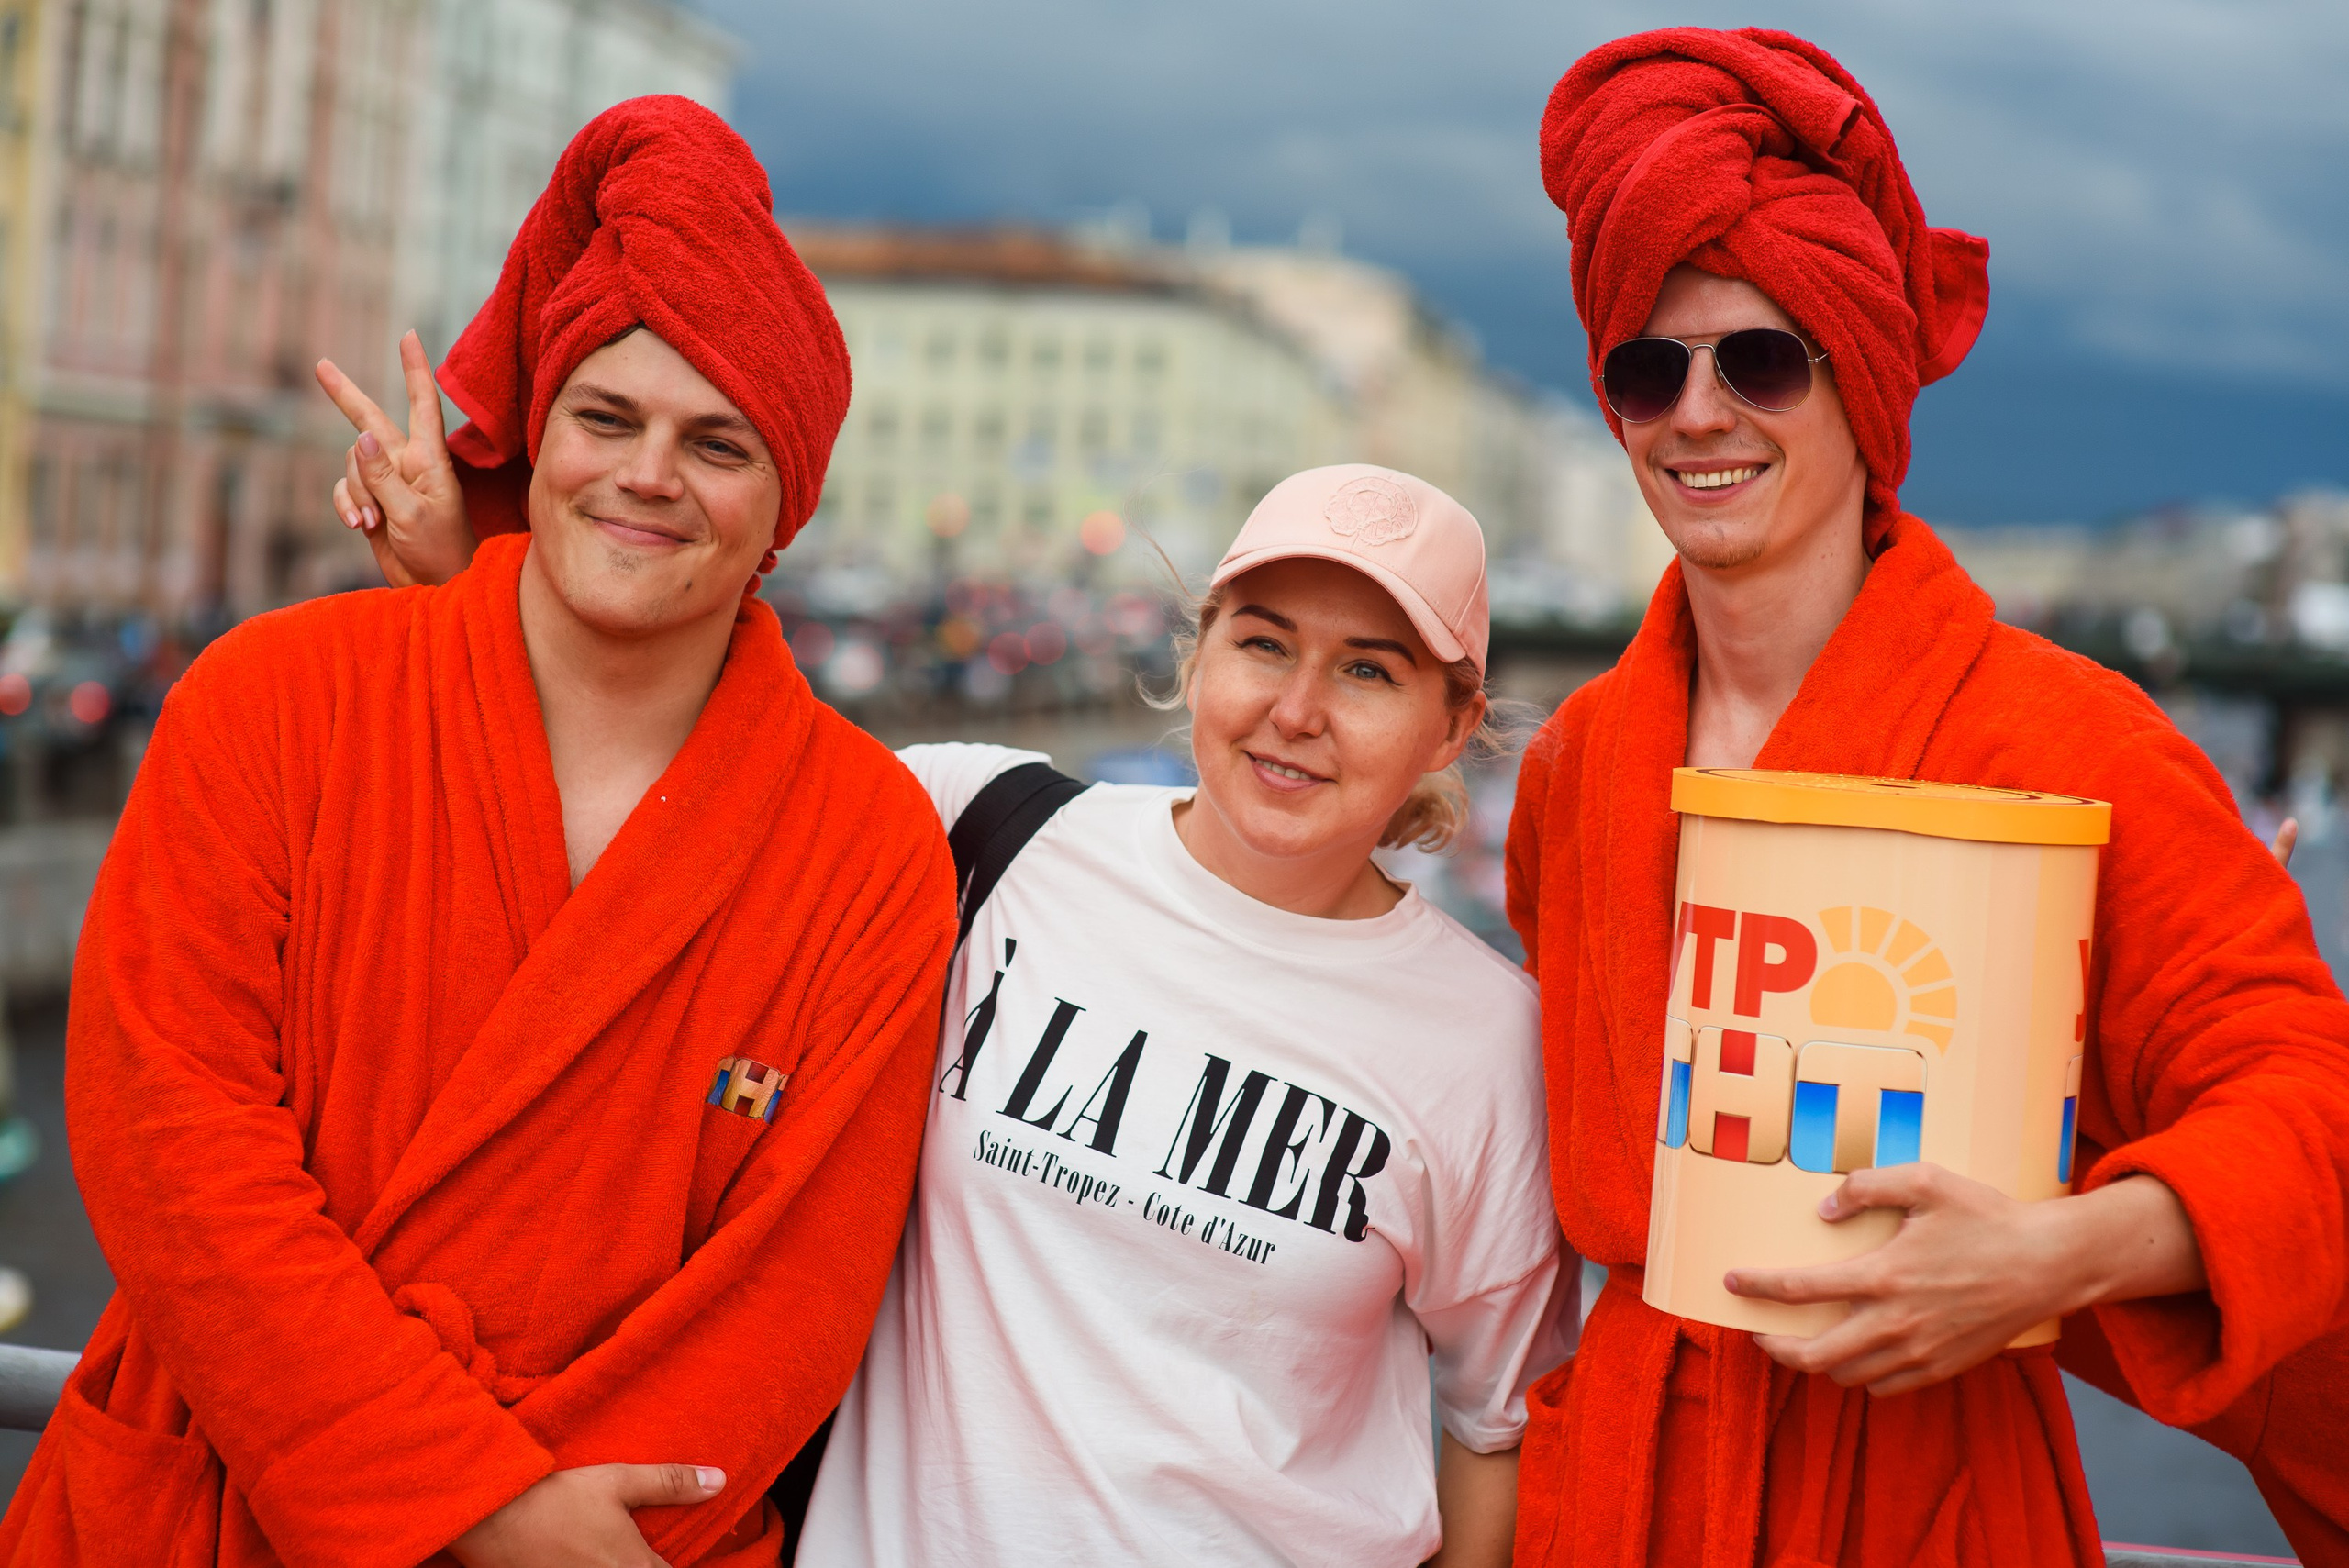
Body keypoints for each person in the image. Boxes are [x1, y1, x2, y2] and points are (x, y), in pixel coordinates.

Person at [0, 97, 954, 1568]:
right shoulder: (272, 698)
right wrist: (474, 1505)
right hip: (211, 1513)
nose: (647, 475)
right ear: (546, 432)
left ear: (785, 507)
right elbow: (167, 1133)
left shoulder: (867, 843)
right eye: (606, 417)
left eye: (718, 443)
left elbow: (794, 1288)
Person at [352, 458, 1578, 1565]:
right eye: (1264, 643)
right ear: (1199, 654)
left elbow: (1497, 1424)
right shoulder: (980, 825)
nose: (1297, 709)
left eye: (1369, 669)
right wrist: (483, 576)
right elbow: (672, 796)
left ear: (1452, 725)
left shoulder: (1481, 1040)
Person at [1507, 27, 2349, 1568]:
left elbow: (2312, 1103)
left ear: (1861, 380)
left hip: (1926, 1502)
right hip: (1626, 1499)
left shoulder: (2076, 737)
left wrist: (2055, 1253)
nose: (1699, 413)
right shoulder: (1571, 767)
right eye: (1648, 367)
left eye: (1760, 357)